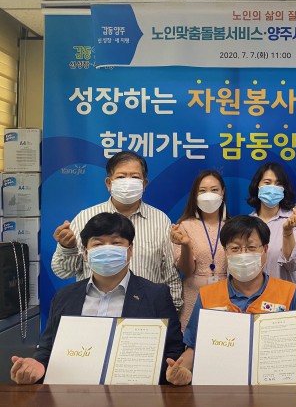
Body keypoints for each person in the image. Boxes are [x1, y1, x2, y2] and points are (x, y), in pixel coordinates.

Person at [10, 212, 184, 385]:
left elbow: (173, 349)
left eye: (116, 243)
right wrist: (37, 366)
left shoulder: (156, 295)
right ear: (86, 253)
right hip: (75, 391)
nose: (107, 250)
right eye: (98, 244)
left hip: (134, 392)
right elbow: (48, 349)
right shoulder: (64, 297)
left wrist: (171, 373)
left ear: (130, 250)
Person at [165, 215, 296, 386]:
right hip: (223, 390)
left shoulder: (289, 293)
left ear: (265, 249)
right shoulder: (207, 295)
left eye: (251, 247)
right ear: (225, 251)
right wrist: (182, 369)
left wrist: (287, 364)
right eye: (235, 248)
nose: (243, 255)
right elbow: (193, 347)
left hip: (273, 390)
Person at [51, 151, 182, 310]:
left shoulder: (160, 220)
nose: (128, 182)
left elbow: (170, 275)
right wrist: (67, 248)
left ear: (144, 184)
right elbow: (63, 272)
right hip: (94, 311)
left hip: (145, 312)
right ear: (109, 183)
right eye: (121, 177)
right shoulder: (85, 218)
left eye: (135, 177)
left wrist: (172, 312)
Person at [170, 170, 229, 331]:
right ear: (195, 195)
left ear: (222, 192)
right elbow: (186, 271)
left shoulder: (232, 227)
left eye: (214, 190)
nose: (208, 195)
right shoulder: (184, 226)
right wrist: (186, 244)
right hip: (193, 297)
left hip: (226, 298)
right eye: (202, 191)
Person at [247, 162, 296, 289]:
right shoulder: (246, 224)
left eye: (278, 183)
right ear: (257, 186)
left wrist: (288, 233)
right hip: (253, 295)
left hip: (285, 295)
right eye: (267, 182)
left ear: (284, 188)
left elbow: (293, 265)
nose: (272, 188)